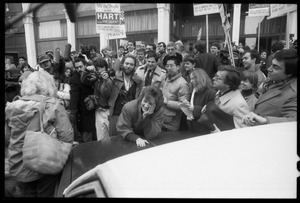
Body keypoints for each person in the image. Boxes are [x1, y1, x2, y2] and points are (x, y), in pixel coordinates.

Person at [5, 70, 74, 197]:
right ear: (48, 85)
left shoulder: (12, 106)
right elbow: (67, 136)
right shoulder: (52, 104)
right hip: (44, 162)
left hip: (19, 165)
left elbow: (8, 137)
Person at [242, 49, 297, 126]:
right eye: (271, 65)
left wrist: (266, 120)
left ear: (289, 74)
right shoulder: (274, 80)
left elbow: (294, 120)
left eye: (275, 67)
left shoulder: (293, 93)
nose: (269, 69)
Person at [108, 55, 143, 136]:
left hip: (130, 116)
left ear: (134, 66)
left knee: (128, 141)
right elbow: (106, 92)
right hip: (115, 114)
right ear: (122, 64)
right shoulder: (114, 77)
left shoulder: (139, 81)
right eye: (126, 63)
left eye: (131, 64)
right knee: (114, 140)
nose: (128, 66)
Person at [212, 65, 251, 129]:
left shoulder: (239, 104)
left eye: (218, 78)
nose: (213, 78)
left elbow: (243, 131)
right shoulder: (219, 92)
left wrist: (220, 133)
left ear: (228, 84)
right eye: (215, 76)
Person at [84, 58, 114, 141]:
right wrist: (86, 70)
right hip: (98, 110)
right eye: (97, 68)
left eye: (101, 67)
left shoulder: (111, 78)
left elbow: (106, 93)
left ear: (106, 67)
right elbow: (83, 80)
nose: (99, 70)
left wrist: (106, 80)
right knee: (100, 138)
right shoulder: (96, 77)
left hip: (109, 112)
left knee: (111, 137)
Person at [179, 68, 216, 134]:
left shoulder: (211, 93)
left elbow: (211, 112)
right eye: (190, 78)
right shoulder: (194, 91)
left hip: (204, 129)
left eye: (193, 78)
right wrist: (188, 104)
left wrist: (194, 108)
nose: (191, 81)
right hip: (193, 125)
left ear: (200, 78)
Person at [69, 57, 96, 143]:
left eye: (81, 66)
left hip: (98, 109)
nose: (79, 69)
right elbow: (74, 96)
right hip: (85, 112)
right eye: (77, 68)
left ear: (85, 65)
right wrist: (72, 112)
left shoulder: (91, 73)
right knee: (87, 138)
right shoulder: (74, 79)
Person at [162, 55, 190, 131]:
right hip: (162, 119)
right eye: (167, 66)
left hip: (171, 124)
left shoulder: (182, 84)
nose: (169, 68)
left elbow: (184, 106)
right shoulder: (167, 79)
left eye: (171, 66)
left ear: (178, 67)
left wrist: (167, 102)